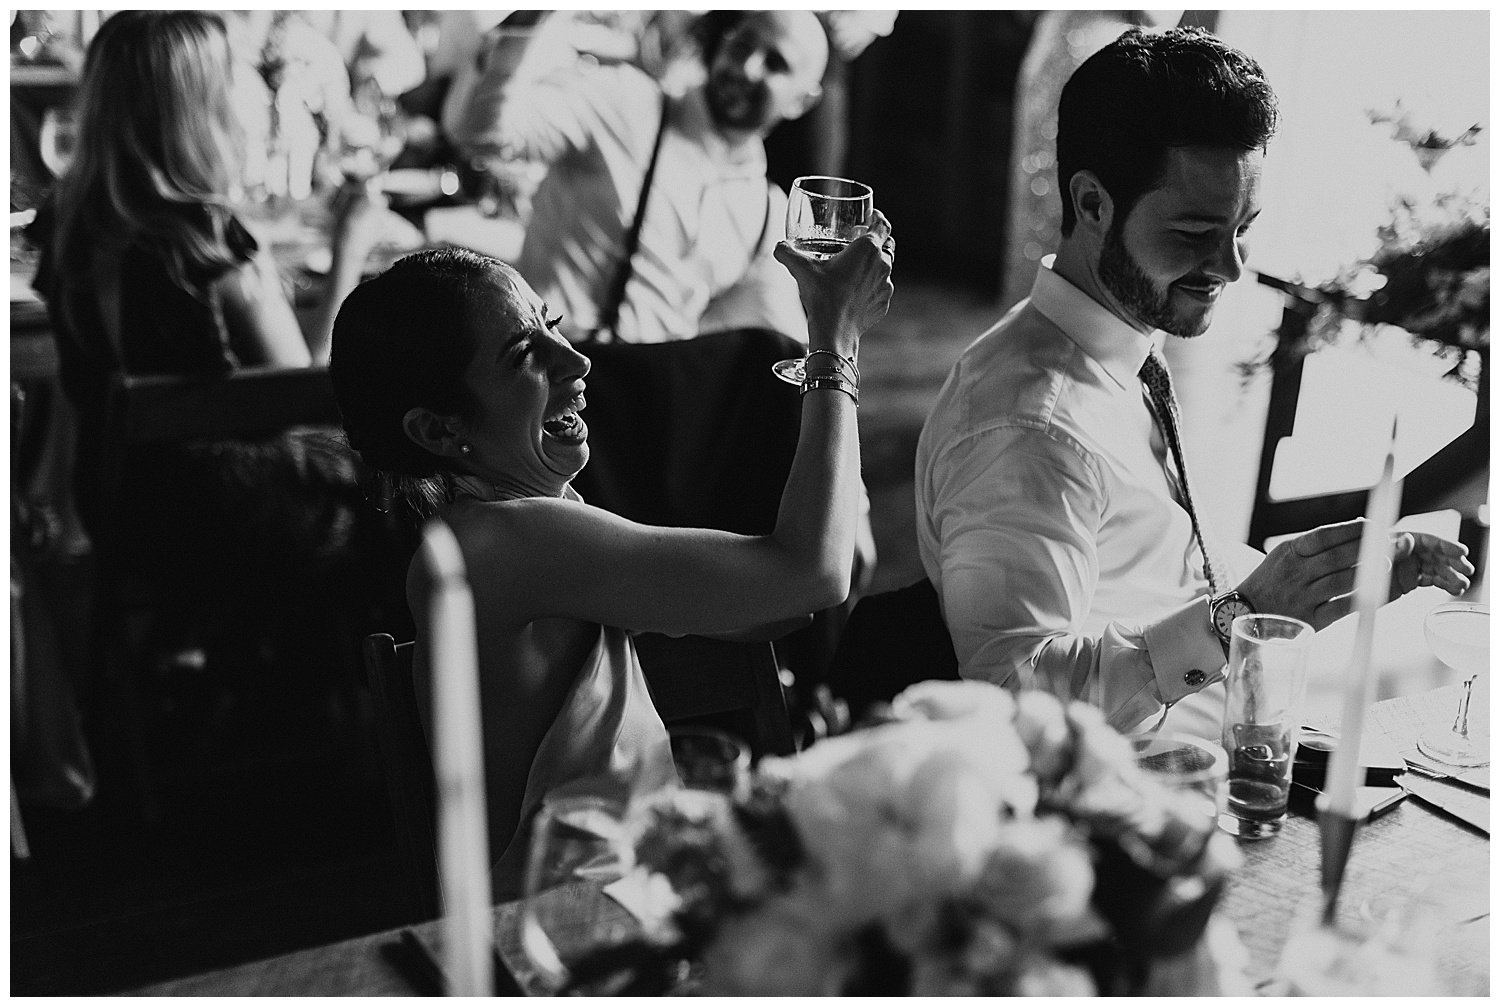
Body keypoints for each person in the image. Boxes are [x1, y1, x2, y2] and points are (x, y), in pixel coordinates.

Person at [914, 26, 1473, 737]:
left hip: (1235, 735)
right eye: (1194, 233)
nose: (1231, 266)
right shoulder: (1028, 430)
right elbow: (1012, 704)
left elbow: (1158, 572)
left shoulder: (1122, 347)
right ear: (1092, 205)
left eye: (1244, 227)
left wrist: (1312, 583)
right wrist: (1234, 619)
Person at [329, 213, 894, 897]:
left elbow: (777, 604)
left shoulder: (520, 529)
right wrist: (834, 342)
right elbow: (815, 573)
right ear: (439, 429)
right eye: (522, 355)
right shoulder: (497, 546)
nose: (577, 360)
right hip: (566, 926)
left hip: (632, 884)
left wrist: (754, 589)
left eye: (553, 324)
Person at [30, 11, 396, 657]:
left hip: (117, 503)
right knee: (412, 475)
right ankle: (363, 693)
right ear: (200, 105)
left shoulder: (67, 226)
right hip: (227, 518)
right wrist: (349, 249)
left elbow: (73, 378)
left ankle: (240, 666)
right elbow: (309, 380)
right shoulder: (209, 242)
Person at [450, 9, 833, 345]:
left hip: (649, 404)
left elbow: (786, 342)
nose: (747, 68)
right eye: (742, 45)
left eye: (776, 63)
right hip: (547, 373)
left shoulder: (765, 210)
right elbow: (483, 136)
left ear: (803, 100)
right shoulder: (624, 100)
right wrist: (529, 17)